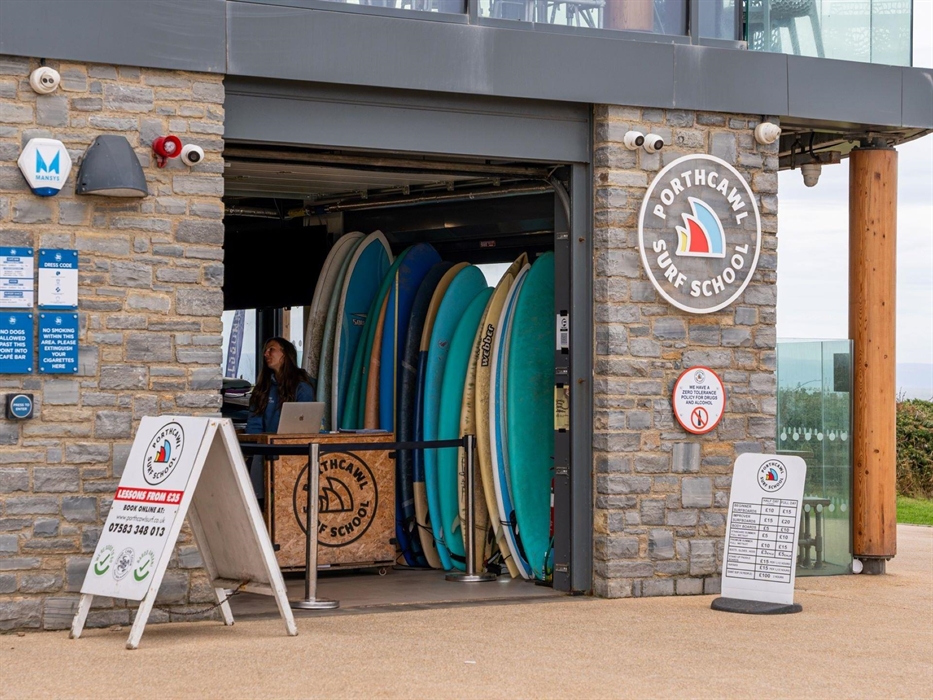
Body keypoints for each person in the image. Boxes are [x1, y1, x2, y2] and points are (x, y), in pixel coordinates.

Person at [245, 337, 315, 502]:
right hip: (264, 455)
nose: (266, 354)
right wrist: (256, 450)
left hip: (293, 455)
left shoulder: (302, 387)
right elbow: (254, 425)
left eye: (271, 349)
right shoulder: (262, 388)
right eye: (265, 350)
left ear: (285, 354)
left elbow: (304, 426)